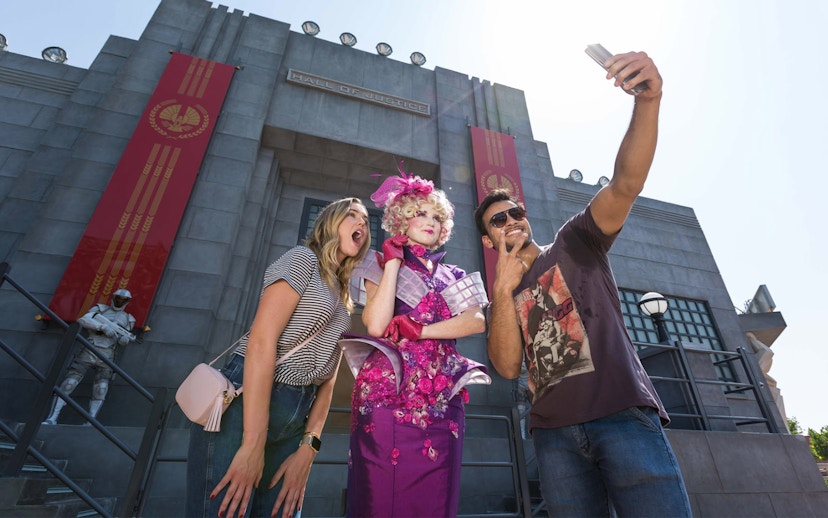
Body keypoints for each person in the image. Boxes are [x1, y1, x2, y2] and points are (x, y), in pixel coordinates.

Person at [473, 51, 692, 517]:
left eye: (515, 212)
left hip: (622, 415)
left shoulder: (574, 241)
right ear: (488, 240)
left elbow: (625, 185)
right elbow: (508, 368)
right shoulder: (501, 300)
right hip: (555, 436)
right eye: (498, 220)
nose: (511, 220)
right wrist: (502, 291)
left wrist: (648, 102)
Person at [186, 197, 371, 518]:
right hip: (245, 404)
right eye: (353, 215)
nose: (362, 224)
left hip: (296, 418)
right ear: (330, 222)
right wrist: (253, 443)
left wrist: (309, 448)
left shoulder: (344, 296)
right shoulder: (302, 259)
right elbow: (261, 341)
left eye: (366, 221)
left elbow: (328, 381)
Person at [342, 169, 490, 517]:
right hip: (387, 395)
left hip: (441, 400)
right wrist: (394, 263)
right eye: (420, 213)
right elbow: (377, 324)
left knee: (436, 500)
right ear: (402, 219)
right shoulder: (378, 263)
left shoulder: (453, 274)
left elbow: (475, 321)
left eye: (437, 217)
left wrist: (420, 331)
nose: (430, 222)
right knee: (379, 500)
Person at [42, 289, 136, 425]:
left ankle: (91, 421)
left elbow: (124, 337)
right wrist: (102, 327)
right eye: (118, 298)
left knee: (101, 389)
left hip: (108, 354)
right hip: (89, 349)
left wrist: (122, 340)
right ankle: (52, 417)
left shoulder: (128, 319)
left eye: (123, 300)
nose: (120, 301)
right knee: (69, 384)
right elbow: (84, 320)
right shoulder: (100, 309)